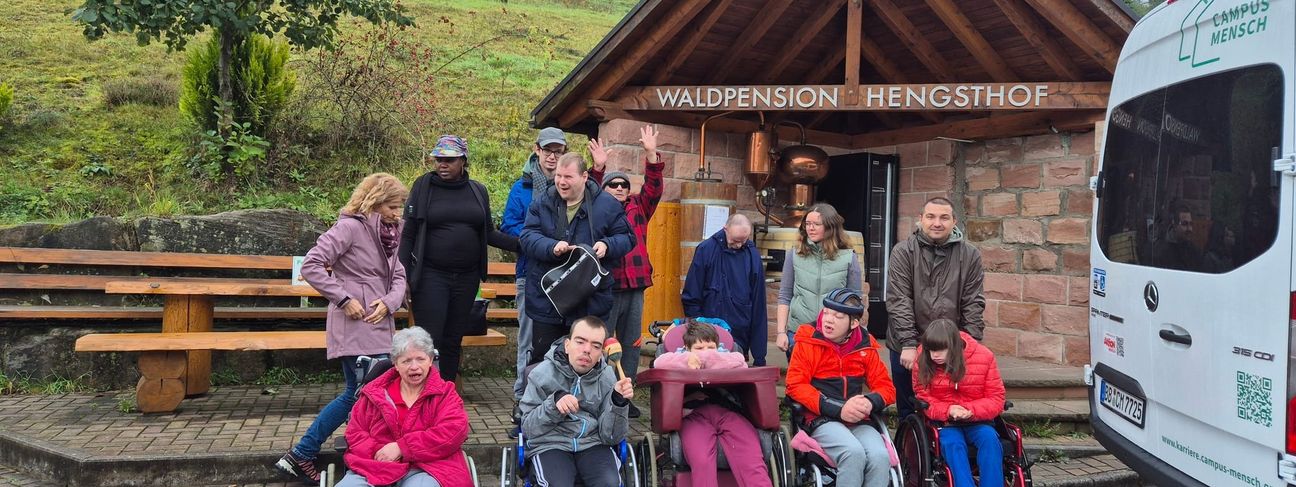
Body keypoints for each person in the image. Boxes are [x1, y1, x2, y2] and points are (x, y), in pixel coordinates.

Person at [276, 173, 409, 484]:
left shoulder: (392, 232)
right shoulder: (349, 227)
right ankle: (305, 453)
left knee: (362, 394)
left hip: (380, 322)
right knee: (364, 394)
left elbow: (399, 274)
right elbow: (311, 265)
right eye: (392, 206)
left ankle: (321, 455)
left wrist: (390, 302)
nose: (398, 213)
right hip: (355, 323)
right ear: (374, 202)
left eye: (400, 206)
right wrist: (344, 299)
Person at [400, 134, 519, 382]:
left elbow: (489, 233)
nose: (442, 164)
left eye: (450, 160)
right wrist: (403, 276)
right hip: (431, 276)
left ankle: (446, 394)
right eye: (438, 159)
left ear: (463, 160)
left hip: (466, 279)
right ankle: (425, 394)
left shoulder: (477, 190)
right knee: (429, 340)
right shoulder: (423, 186)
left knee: (453, 339)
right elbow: (408, 234)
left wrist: (525, 244)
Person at [520, 153, 635, 365]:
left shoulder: (607, 204)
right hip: (548, 298)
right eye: (558, 176)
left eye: (568, 177)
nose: (561, 182)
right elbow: (527, 236)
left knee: (586, 362)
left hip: (589, 300)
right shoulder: (542, 201)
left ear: (584, 176)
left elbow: (627, 238)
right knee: (543, 361)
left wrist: (607, 245)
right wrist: (551, 247)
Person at [886, 196, 986, 420]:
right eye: (930, 217)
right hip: (907, 343)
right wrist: (908, 343)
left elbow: (973, 302)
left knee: (947, 407)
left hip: (950, 344)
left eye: (944, 217)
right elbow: (899, 299)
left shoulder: (970, 255)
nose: (937, 223)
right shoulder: (903, 252)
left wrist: (969, 344)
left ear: (954, 221)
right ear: (920, 219)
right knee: (909, 409)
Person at [785, 288, 895, 487]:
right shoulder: (808, 339)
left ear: (854, 323)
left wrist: (869, 402)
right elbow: (795, 385)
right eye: (826, 312)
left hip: (858, 420)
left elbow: (886, 387)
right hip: (821, 418)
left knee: (880, 456)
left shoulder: (865, 345)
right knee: (852, 452)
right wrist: (839, 408)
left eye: (838, 316)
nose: (829, 320)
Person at [339, 327, 473, 487]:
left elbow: (453, 431)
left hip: (428, 467)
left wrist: (402, 448)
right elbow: (355, 432)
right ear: (395, 364)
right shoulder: (374, 394)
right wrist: (378, 451)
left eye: (420, 359)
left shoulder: (445, 394)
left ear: (430, 360)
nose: (414, 366)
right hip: (375, 465)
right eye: (406, 361)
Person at [589, 125, 663, 414]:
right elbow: (588, 191)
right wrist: (598, 168)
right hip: (607, 286)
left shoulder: (639, 208)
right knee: (604, 342)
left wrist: (651, 154)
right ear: (604, 189)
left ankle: (625, 396)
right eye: (613, 184)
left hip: (635, 287)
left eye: (624, 185)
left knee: (631, 343)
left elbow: (654, 187)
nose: (619, 188)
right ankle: (602, 394)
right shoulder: (596, 209)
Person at [652, 320, 772, 487]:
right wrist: (686, 359)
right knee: (702, 460)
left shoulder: (729, 358)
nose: (706, 352)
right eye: (699, 348)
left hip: (727, 411)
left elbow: (740, 362)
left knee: (751, 459)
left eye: (710, 347)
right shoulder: (678, 357)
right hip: (693, 415)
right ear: (687, 348)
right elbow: (659, 363)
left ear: (718, 346)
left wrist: (707, 360)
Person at [520, 317, 634, 487]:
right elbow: (529, 429)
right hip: (550, 444)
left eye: (596, 346)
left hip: (593, 443)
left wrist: (618, 402)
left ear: (601, 353)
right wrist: (554, 404)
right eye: (580, 342)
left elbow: (612, 437)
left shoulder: (608, 377)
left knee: (609, 483)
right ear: (567, 345)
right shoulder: (541, 374)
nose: (587, 350)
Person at [503, 127, 567, 401]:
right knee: (528, 339)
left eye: (558, 151)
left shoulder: (569, 186)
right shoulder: (522, 188)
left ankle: (555, 395)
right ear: (537, 150)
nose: (552, 156)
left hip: (565, 276)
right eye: (547, 150)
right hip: (529, 273)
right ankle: (522, 395)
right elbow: (509, 225)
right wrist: (542, 240)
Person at [913, 319, 1006, 487]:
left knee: (990, 440)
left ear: (954, 346)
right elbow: (923, 396)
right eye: (931, 350)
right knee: (953, 444)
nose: (934, 355)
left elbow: (996, 398)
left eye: (940, 350)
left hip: (978, 420)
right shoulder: (922, 358)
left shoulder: (984, 357)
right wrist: (948, 410)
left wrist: (970, 410)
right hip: (945, 422)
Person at [774, 203, 861, 358]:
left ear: (830, 227)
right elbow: (785, 296)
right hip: (799, 333)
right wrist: (781, 332)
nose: (811, 228)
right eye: (807, 224)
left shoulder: (849, 257)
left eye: (816, 224)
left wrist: (854, 336)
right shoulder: (794, 255)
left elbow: (855, 301)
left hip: (835, 336)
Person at [681, 213, 768, 366]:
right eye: (735, 241)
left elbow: (758, 304)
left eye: (743, 240)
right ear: (725, 229)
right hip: (708, 333)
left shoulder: (752, 254)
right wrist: (696, 328)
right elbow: (692, 292)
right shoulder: (706, 250)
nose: (739, 245)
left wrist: (759, 356)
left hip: (740, 331)